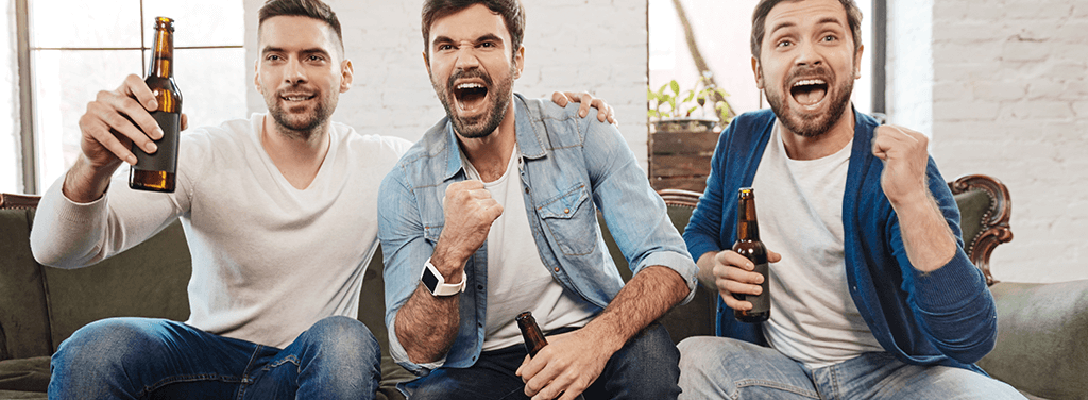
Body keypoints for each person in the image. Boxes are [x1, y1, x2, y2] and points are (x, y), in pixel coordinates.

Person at [29, 0, 610, 398]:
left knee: (345, 338)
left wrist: (558, 120)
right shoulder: (202, 153)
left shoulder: (391, 165)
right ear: (257, 73)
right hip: (203, 358)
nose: (293, 74)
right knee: (94, 349)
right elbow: (56, 249)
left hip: (310, 366)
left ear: (346, 74)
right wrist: (92, 164)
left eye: (313, 57)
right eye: (275, 57)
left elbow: (482, 148)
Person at [676, 0, 1026, 398]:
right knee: (694, 358)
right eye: (786, 41)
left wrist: (912, 200)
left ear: (857, 59)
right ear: (759, 70)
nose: (808, 55)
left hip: (891, 375)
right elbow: (699, 231)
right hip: (779, 374)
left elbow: (970, 339)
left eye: (828, 36)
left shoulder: (897, 166)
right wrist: (712, 267)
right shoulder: (741, 140)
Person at [376, 1, 700, 399]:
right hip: (480, 366)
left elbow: (670, 260)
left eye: (486, 43)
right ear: (428, 65)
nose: (465, 61)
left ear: (518, 59)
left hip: (592, 332)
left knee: (649, 356)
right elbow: (415, 352)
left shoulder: (580, 132)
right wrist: (447, 256)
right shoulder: (405, 186)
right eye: (446, 47)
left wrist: (596, 340)